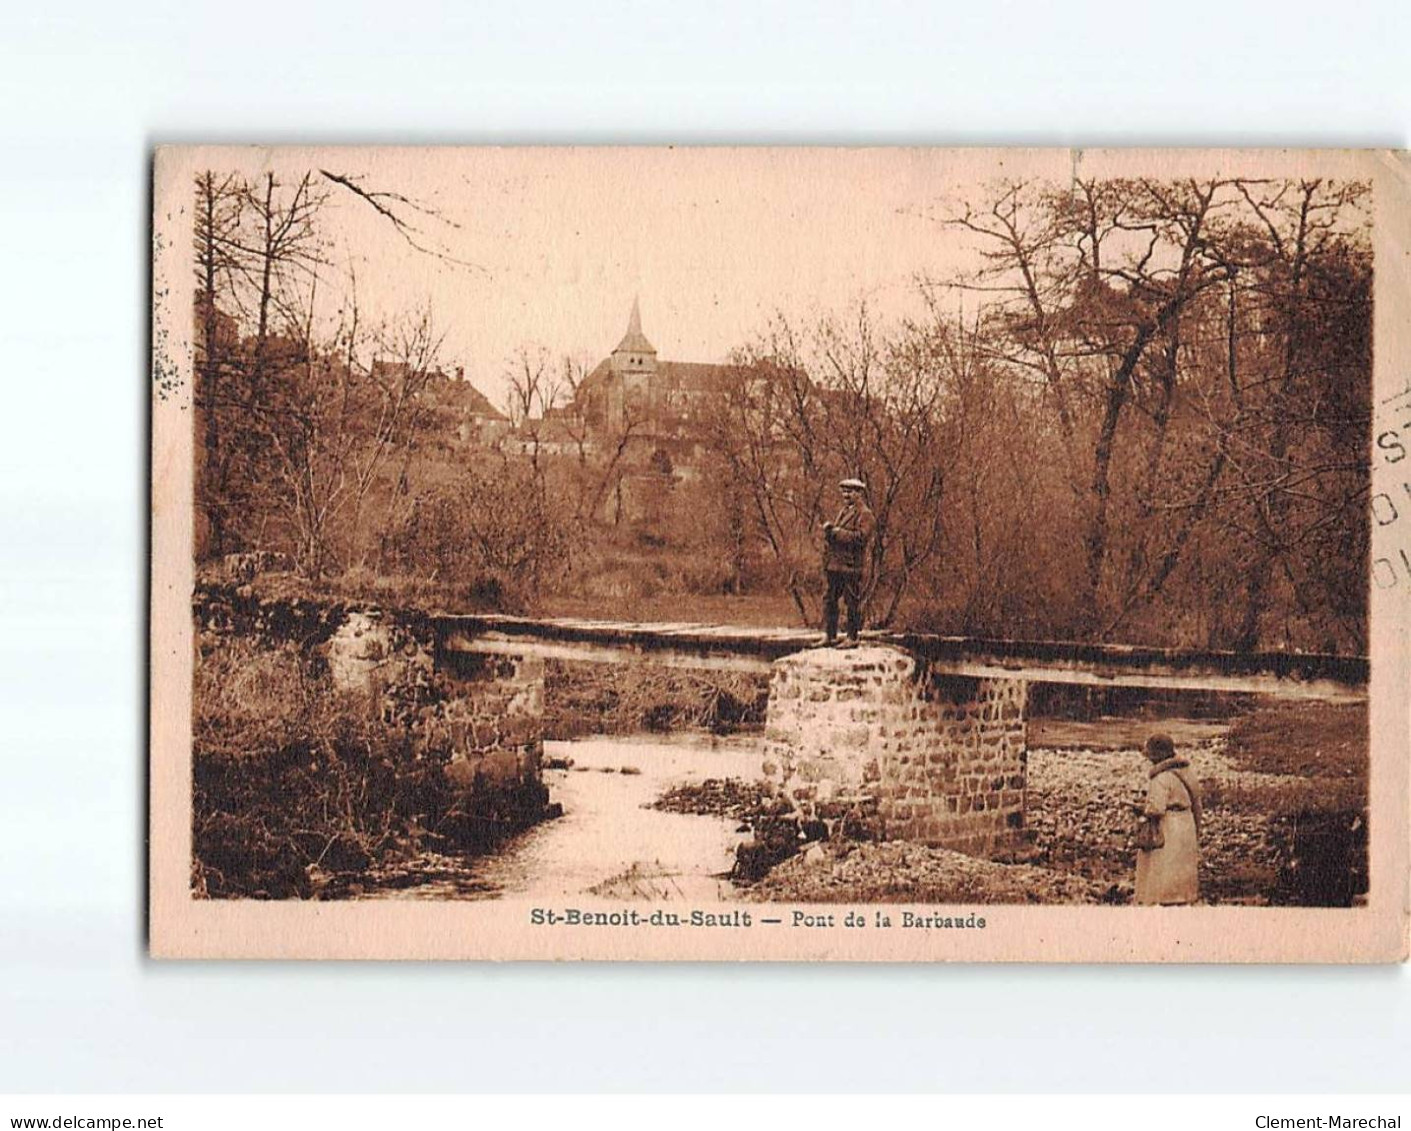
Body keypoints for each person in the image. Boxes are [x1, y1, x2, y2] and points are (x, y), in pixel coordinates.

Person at [1135, 733, 1203, 905]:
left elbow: (1156, 809)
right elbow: (1197, 802)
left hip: (1169, 825)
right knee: (1183, 866)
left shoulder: (1161, 778)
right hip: (1186, 822)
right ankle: (1184, 897)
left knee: (1164, 864)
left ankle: (1164, 900)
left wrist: (1141, 809)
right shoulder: (1187, 771)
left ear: (1156, 755)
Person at [819, 477, 876, 648]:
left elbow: (860, 539)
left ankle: (852, 637)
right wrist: (830, 532)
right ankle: (830, 636)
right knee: (830, 600)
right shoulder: (843, 511)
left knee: (852, 602)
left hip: (851, 566)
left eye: (850, 491)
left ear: (859, 493)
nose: (846, 495)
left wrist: (836, 532)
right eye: (844, 491)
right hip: (835, 565)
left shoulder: (865, 514)